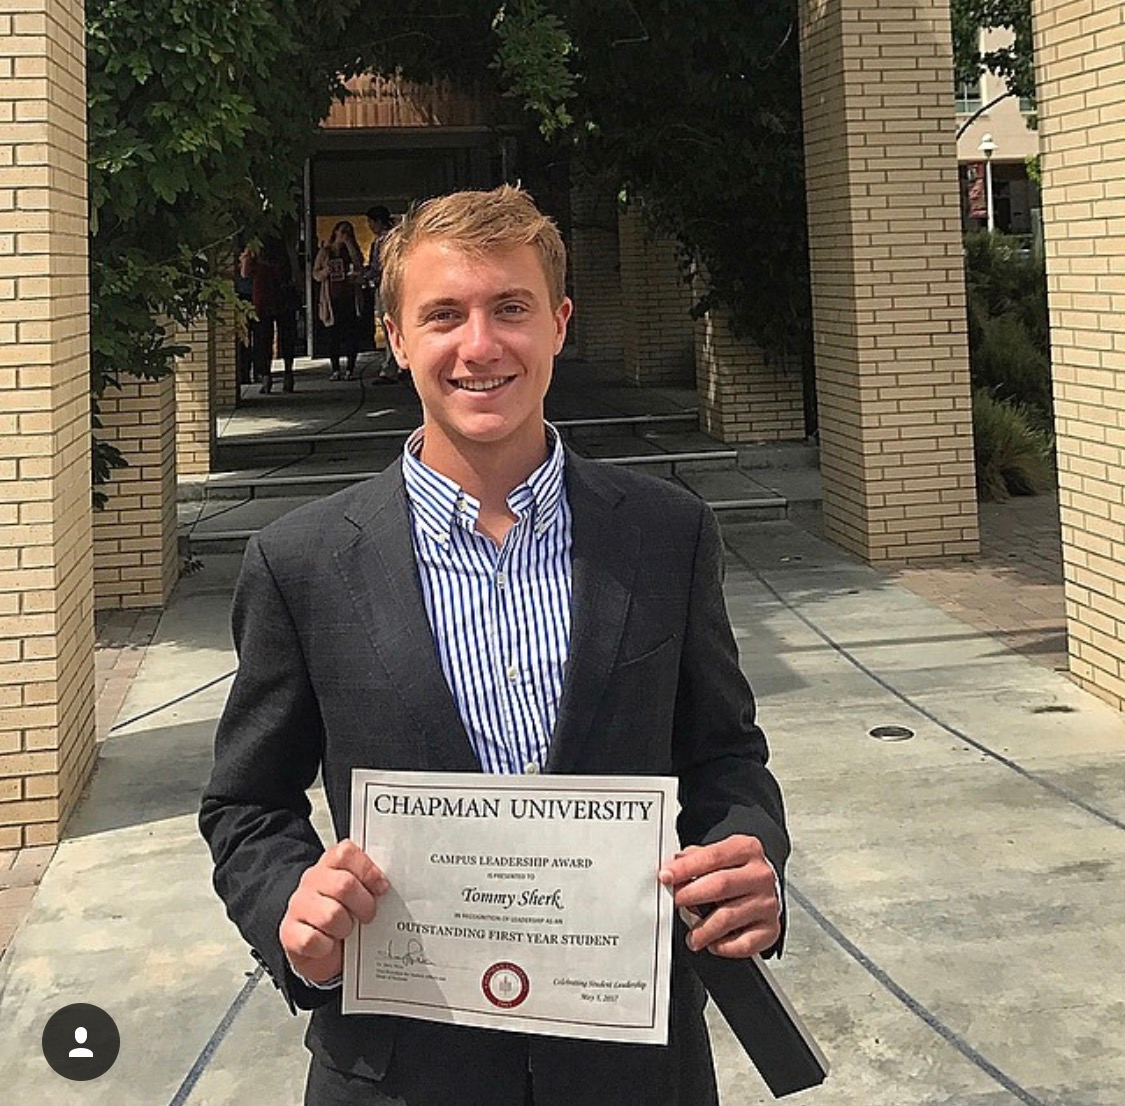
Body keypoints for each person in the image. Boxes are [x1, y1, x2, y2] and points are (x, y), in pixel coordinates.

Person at [199, 186, 788, 1106]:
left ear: (557, 323)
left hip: (630, 1061)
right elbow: (247, 802)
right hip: (399, 1065)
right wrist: (289, 911)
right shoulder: (302, 562)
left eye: (509, 308)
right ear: (395, 337)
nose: (479, 345)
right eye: (443, 315)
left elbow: (722, 755)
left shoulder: (664, 536)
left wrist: (749, 852)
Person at [241, 237, 299, 394]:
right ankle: (286, 374)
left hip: (264, 297)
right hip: (279, 296)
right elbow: (293, 273)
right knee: (284, 337)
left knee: (263, 339)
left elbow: (244, 273)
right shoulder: (284, 248)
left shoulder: (257, 252)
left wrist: (247, 254)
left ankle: (267, 376)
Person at [313, 220, 364, 380]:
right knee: (333, 335)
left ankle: (350, 368)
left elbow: (358, 263)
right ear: (335, 232)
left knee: (351, 334)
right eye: (342, 231)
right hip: (332, 298)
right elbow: (315, 273)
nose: (344, 235)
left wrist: (348, 244)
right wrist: (325, 272)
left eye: (348, 232)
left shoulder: (351, 250)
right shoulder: (326, 251)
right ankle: (335, 369)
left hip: (349, 296)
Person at [363, 205, 400, 384]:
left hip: (386, 286)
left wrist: (364, 276)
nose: (369, 226)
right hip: (393, 285)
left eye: (370, 221)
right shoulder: (397, 237)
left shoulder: (382, 241)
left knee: (389, 327)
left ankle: (390, 367)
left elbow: (378, 268)